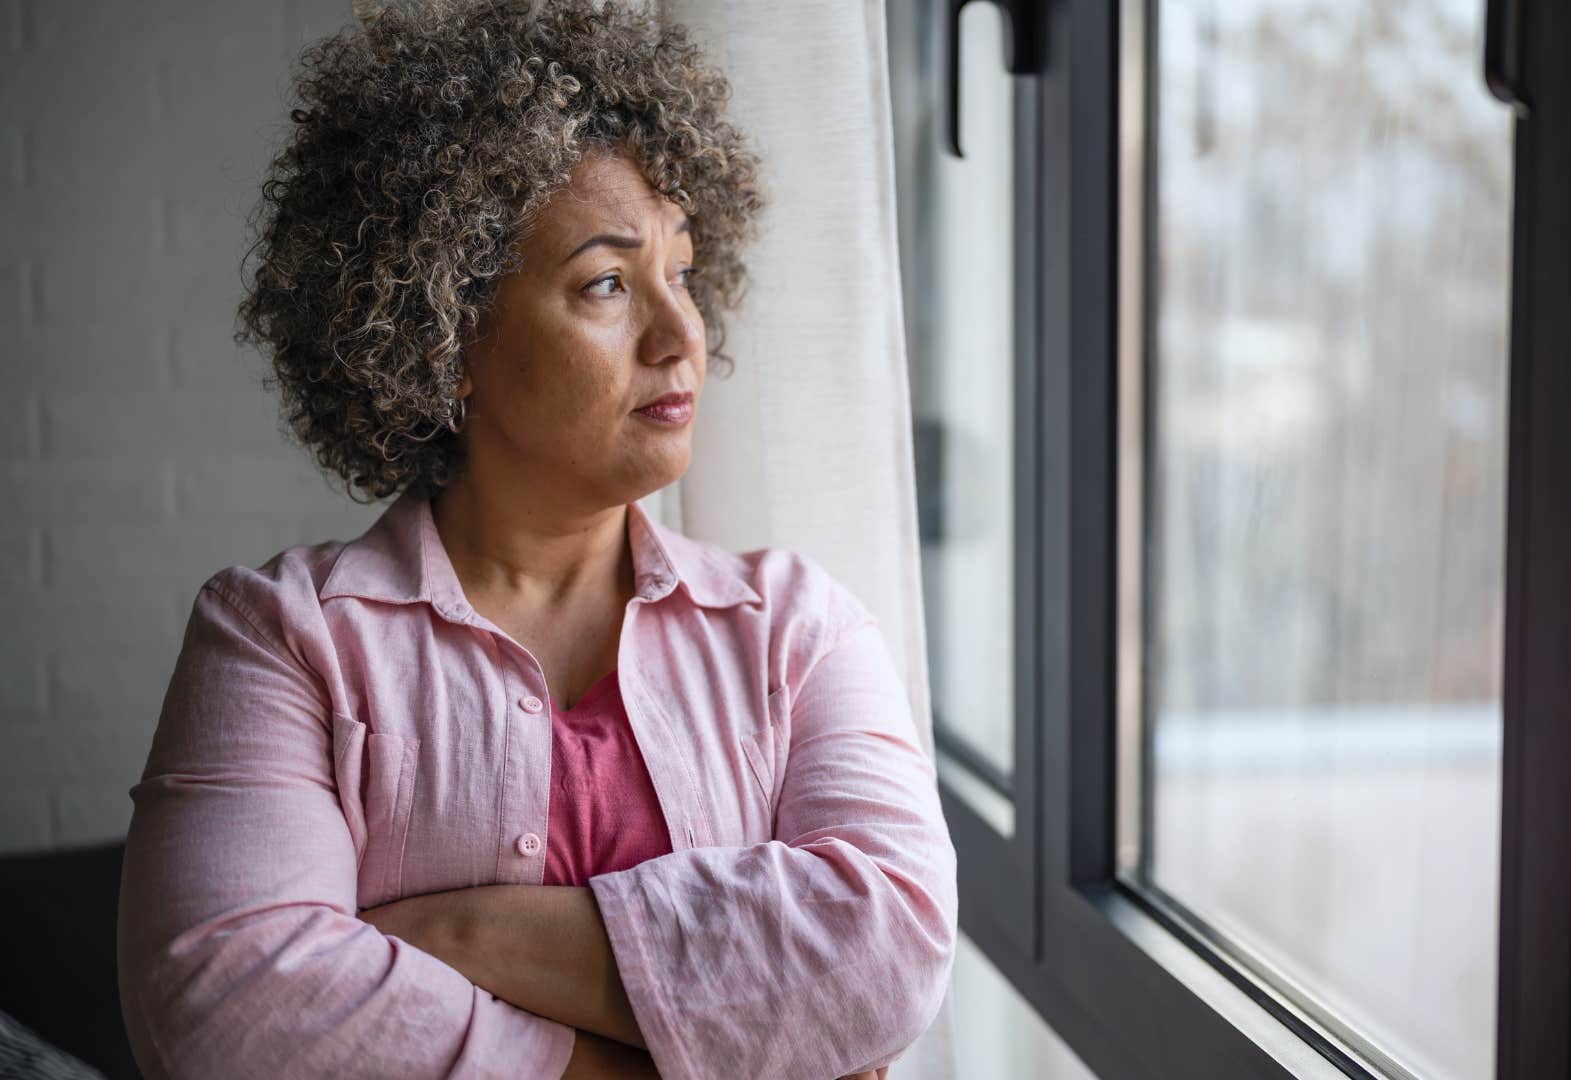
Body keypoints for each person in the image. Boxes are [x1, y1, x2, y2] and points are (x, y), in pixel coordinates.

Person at [113, 2, 957, 1077]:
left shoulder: (799, 630)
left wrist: (450, 936)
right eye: (607, 283)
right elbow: (227, 1005)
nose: (681, 332)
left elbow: (892, 945)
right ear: (445, 332)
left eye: (683, 272)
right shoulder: (280, 640)